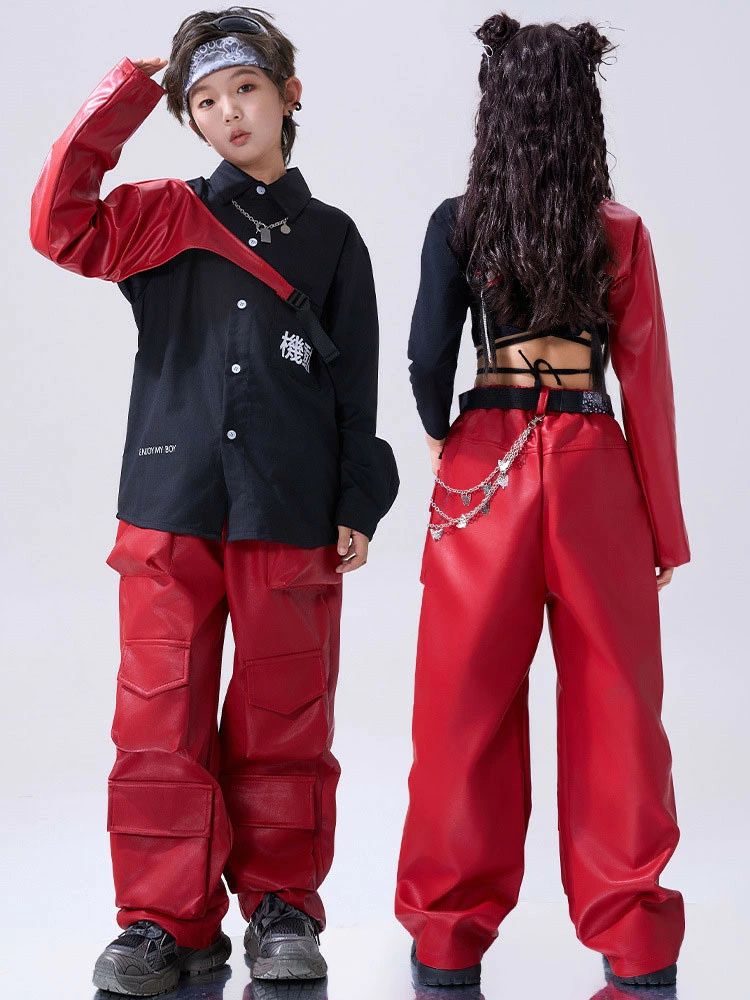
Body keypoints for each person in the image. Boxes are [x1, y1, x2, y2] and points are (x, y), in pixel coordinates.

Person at [29, 7, 398, 995]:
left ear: (288, 95)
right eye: (203, 101)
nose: (229, 112)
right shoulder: (162, 214)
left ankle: (282, 908)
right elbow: (58, 225)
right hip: (169, 499)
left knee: (287, 719)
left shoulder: (334, 239)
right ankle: (162, 919)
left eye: (245, 88)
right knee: (160, 716)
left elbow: (354, 384)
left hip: (291, 508)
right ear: (187, 119)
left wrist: (356, 499)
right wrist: (124, 95)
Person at [394, 12, 689, 990]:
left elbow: (427, 355)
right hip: (596, 464)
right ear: (583, 111)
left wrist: (440, 434)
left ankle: (446, 945)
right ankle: (638, 952)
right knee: (620, 712)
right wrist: (663, 528)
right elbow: (645, 382)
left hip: (488, 462)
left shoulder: (461, 220)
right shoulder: (619, 230)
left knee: (462, 708)